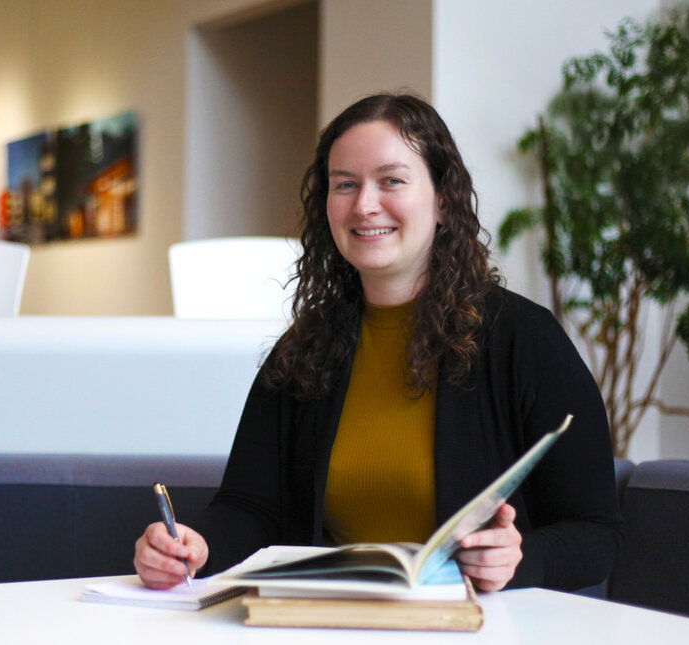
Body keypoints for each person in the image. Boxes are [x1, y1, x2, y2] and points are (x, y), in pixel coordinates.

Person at [135, 92, 622, 592]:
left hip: (480, 628)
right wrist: (192, 547)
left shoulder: (525, 339)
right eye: (345, 184)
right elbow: (250, 509)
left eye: (391, 180)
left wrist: (519, 560)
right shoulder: (304, 350)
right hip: (331, 619)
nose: (365, 205)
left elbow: (596, 534)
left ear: (443, 201)